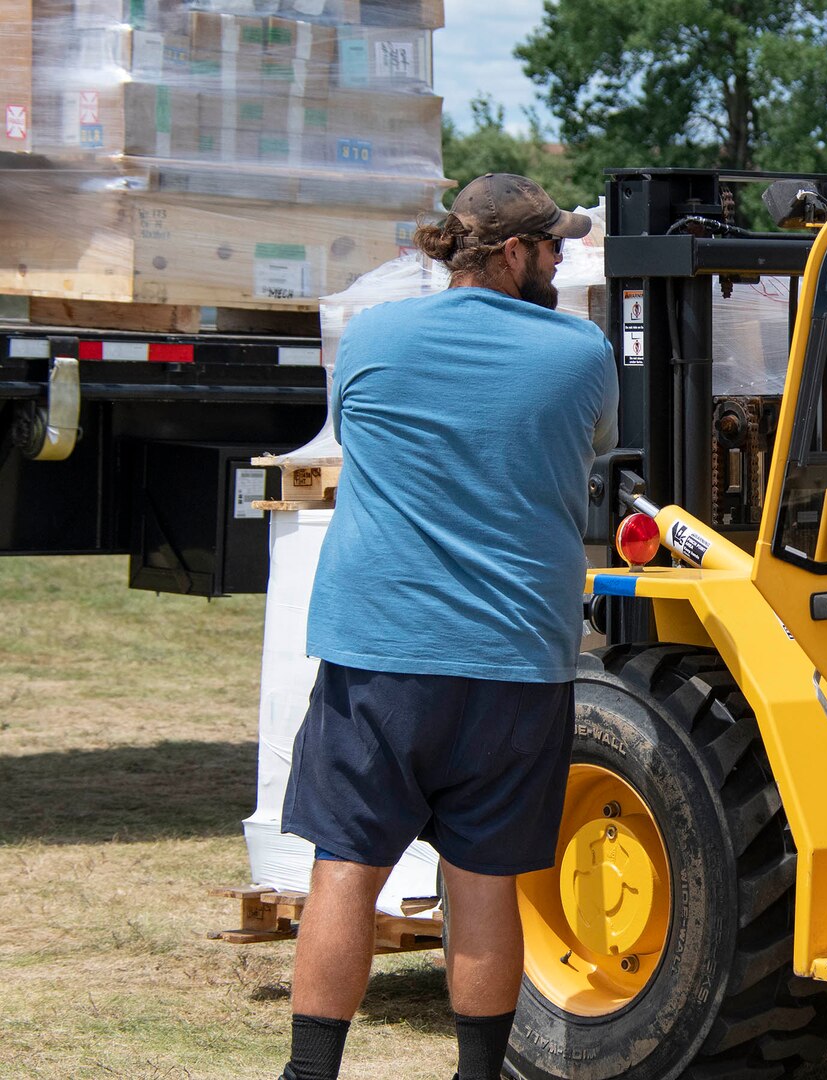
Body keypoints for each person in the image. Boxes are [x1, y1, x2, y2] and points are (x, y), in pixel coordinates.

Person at [276, 173, 619, 1080]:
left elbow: (353, 431)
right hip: (513, 659)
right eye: (553, 245)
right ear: (512, 253)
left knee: (344, 867)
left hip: (379, 652)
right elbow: (589, 448)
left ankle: (310, 1076)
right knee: (483, 882)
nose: (562, 258)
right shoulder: (581, 353)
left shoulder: (375, 336)